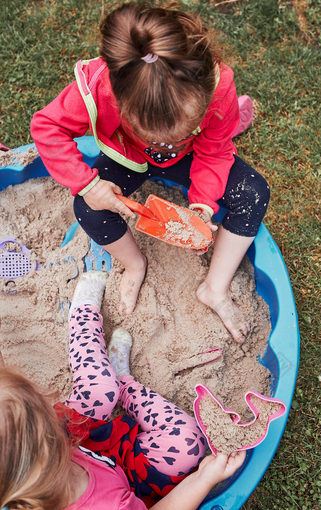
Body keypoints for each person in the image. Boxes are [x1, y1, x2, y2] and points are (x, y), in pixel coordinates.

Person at [30, 2, 270, 343]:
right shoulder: (100, 88)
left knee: (254, 193)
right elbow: (47, 126)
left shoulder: (218, 86)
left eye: (180, 126)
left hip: (193, 156)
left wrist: (202, 204)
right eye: (151, 129)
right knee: (88, 209)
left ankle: (215, 287)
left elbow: (215, 149)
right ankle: (134, 264)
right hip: (128, 157)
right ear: (121, 100)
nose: (163, 139)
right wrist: (88, 185)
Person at [0, 271, 246, 510]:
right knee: (188, 443)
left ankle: (84, 316)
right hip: (125, 481)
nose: (52, 403)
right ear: (44, 445)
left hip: (81, 443)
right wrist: (203, 479)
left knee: (101, 387)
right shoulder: (110, 505)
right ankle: (123, 379)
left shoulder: (22, 453)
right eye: (42, 404)